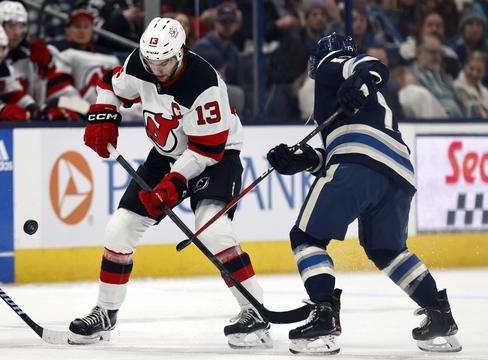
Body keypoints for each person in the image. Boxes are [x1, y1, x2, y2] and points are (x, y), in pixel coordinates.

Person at [70, 17, 272, 349]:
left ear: (180, 52)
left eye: (163, 60)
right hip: (168, 153)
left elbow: (206, 150)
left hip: (216, 155)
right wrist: (103, 112)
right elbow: (109, 84)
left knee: (212, 229)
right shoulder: (141, 63)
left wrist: (175, 182)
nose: (156, 67)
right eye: (151, 60)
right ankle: (105, 313)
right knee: (119, 229)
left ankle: (255, 310)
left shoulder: (204, 83)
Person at [266, 33, 461, 354]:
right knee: (387, 251)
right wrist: (303, 160)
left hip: (358, 161)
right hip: (399, 172)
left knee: (306, 238)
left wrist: (361, 79)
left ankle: (324, 312)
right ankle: (439, 315)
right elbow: (334, 155)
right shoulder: (362, 100)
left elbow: (373, 65)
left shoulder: (332, 64)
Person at [0, 1, 81, 121]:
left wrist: (45, 69)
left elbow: (57, 94)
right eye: (12, 26)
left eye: (21, 25)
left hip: (29, 121)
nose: (18, 32)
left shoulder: (32, 56)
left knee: (80, 107)